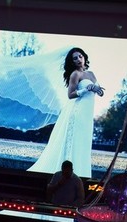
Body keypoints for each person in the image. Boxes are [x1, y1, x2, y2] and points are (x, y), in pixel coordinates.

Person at [28, 46, 104, 178]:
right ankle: (67, 174)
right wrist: (86, 89)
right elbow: (70, 95)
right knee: (74, 142)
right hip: (77, 112)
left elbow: (99, 92)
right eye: (75, 58)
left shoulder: (91, 74)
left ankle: (80, 174)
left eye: (80, 56)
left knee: (83, 143)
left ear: (84, 57)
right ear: (72, 62)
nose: (78, 59)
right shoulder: (75, 74)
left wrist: (98, 89)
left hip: (87, 115)